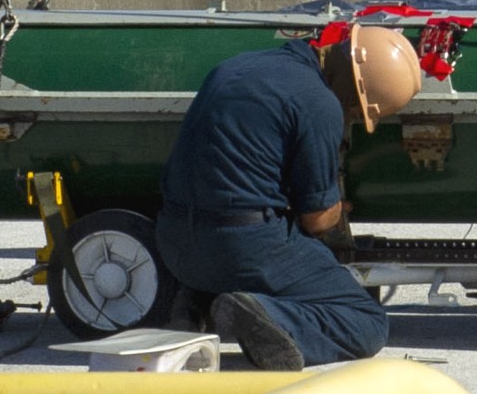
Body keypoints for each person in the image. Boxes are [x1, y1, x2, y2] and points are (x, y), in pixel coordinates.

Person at [155, 25, 422, 370]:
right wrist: (337, 208)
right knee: (368, 320)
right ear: (355, 89)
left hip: (175, 245)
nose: (352, 118)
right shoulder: (320, 102)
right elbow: (316, 219)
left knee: (225, 238)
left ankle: (196, 301)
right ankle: (268, 316)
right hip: (241, 249)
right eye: (357, 111)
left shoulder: (235, 66)